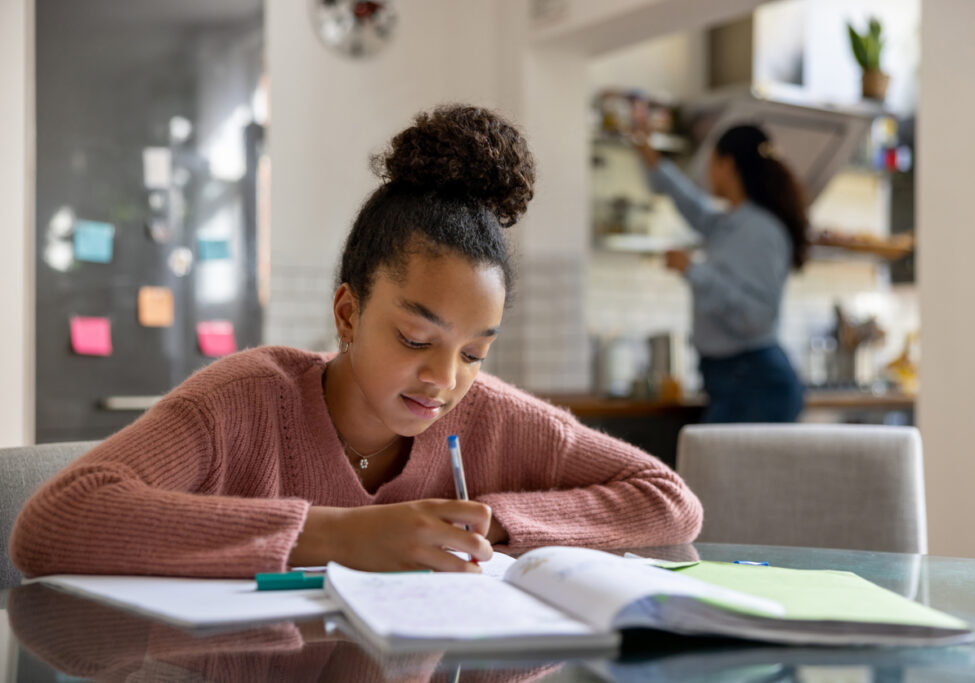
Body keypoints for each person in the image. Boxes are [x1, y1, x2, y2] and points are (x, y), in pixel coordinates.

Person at [12, 104, 703, 579]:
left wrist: (494, 524)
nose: (444, 379)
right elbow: (51, 524)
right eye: (414, 336)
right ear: (347, 312)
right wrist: (338, 535)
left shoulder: (493, 418)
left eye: (473, 353)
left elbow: (668, 498)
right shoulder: (244, 402)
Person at [636, 124, 807, 424]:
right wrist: (653, 160)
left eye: (711, 161)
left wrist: (693, 270)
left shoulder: (760, 232)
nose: (707, 171)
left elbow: (758, 317)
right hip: (733, 381)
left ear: (727, 165)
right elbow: (695, 208)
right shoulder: (732, 223)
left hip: (755, 385)